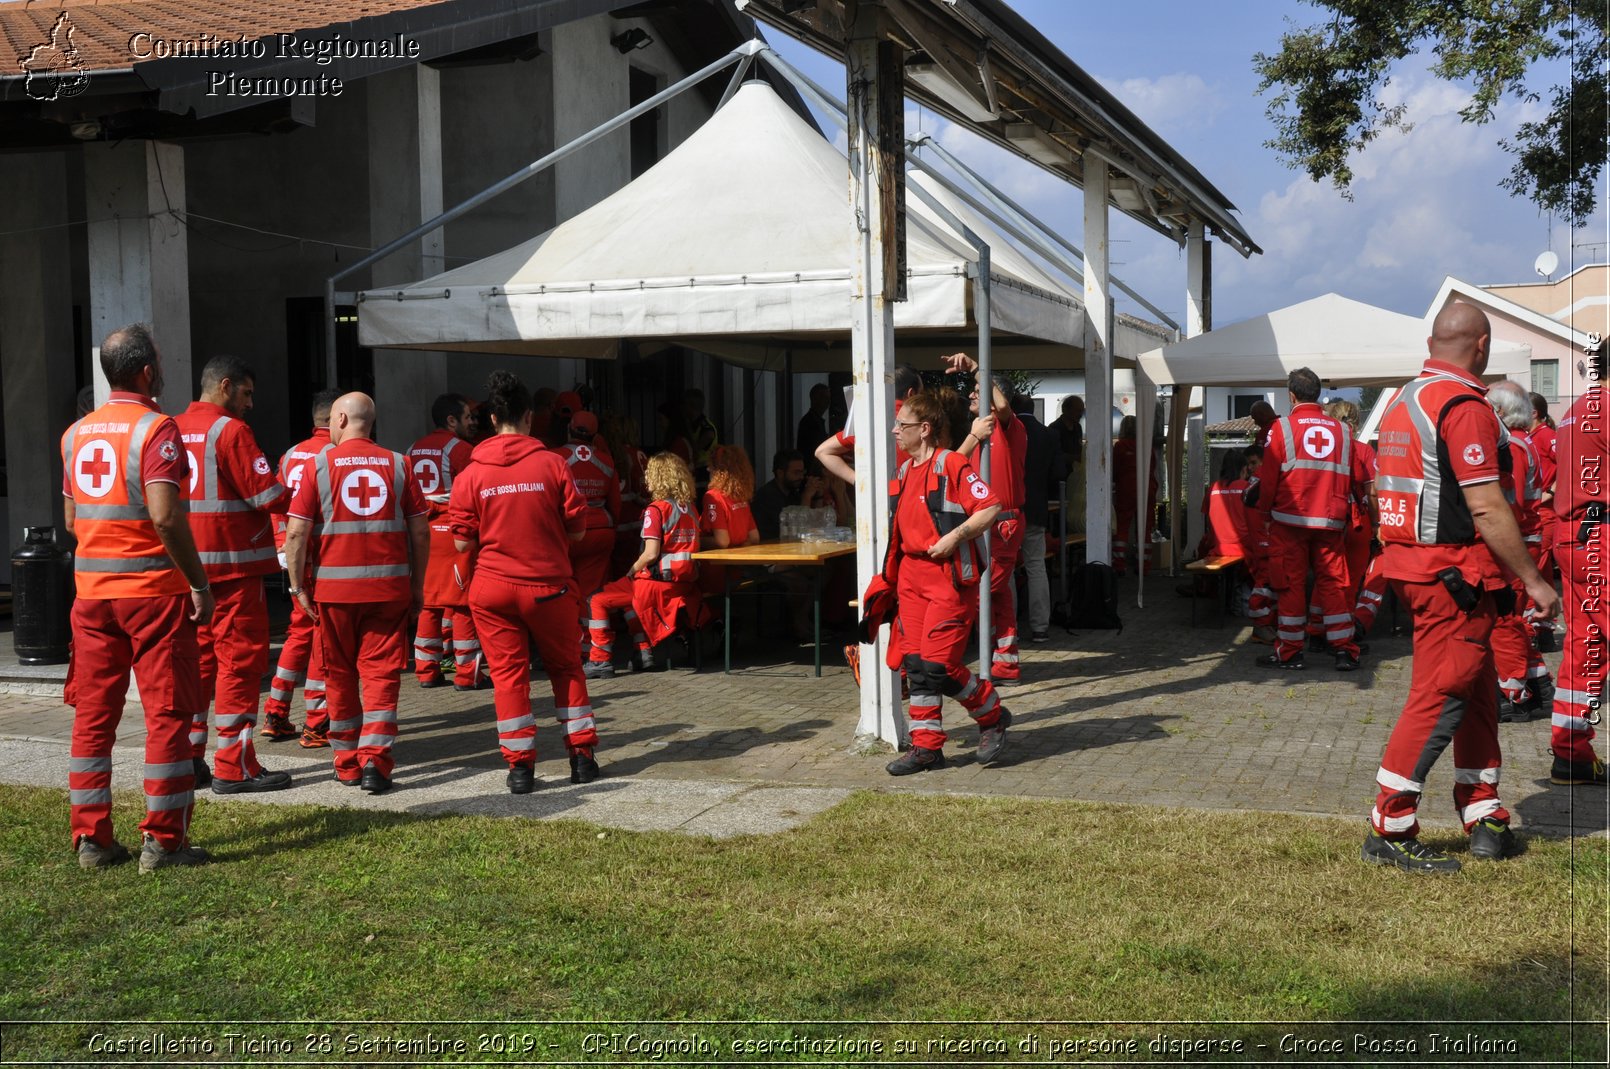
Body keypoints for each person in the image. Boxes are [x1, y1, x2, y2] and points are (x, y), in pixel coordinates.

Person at [1363, 302, 1561, 873]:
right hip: (1456, 575)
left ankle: (1483, 812)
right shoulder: (1463, 407)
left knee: (1477, 692)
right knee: (1442, 695)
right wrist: (1534, 580)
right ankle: (1390, 823)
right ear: (1482, 346)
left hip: (1424, 569)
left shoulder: (1402, 400)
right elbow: (1485, 503)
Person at [61, 323, 215, 872]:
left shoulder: (75, 434)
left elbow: (73, 519)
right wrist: (198, 583)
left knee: (92, 718)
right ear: (148, 370)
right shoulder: (157, 430)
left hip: (92, 595)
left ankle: (92, 842)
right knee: (167, 715)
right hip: (152, 593)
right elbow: (165, 515)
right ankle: (165, 842)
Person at [449, 371, 600, 792]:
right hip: (548, 587)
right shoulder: (554, 464)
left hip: (493, 590)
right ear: (530, 417)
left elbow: (462, 542)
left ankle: (520, 770)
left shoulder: (470, 473)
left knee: (508, 677)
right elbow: (578, 532)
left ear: (494, 420)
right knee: (567, 668)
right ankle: (582, 759)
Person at [282, 393, 429, 794]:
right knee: (381, 677)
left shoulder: (318, 466)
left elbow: (296, 533)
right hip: (389, 590)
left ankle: (346, 763)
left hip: (334, 595)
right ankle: (376, 764)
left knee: (339, 677)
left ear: (342, 418)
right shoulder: (401, 465)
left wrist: (297, 587)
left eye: (331, 420)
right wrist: (417, 586)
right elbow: (420, 530)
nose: (329, 426)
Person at [874, 389, 1011, 774]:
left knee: (940, 667)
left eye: (902, 425)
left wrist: (955, 537)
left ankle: (992, 716)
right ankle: (927, 748)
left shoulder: (950, 463)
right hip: (911, 580)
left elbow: (991, 507)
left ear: (925, 429)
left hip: (948, 580)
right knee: (916, 666)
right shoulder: (904, 471)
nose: (894, 430)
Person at [176, 355, 293, 793]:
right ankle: (234, 765)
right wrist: (305, 496)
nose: (249, 404)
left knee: (199, 667)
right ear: (225, 386)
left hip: (188, 571)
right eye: (246, 393)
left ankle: (190, 758)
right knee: (240, 664)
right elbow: (266, 494)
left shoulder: (168, 426)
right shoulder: (231, 430)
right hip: (233, 568)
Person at [1250, 368, 1366, 671]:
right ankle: (1344, 650)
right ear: (1318, 393)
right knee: (1334, 585)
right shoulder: (1343, 431)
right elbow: (1357, 477)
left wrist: (1264, 513)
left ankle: (1290, 651)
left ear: (1291, 395)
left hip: (1290, 520)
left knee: (1289, 585)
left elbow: (1269, 478)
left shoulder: (1281, 428)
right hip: (1330, 520)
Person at [584, 453, 707, 678]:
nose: (646, 479)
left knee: (597, 599)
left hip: (654, 585)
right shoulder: (690, 507)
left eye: (649, 474)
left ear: (658, 477)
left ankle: (600, 658)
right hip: (683, 584)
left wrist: (631, 571)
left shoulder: (656, 510)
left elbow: (650, 554)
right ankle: (642, 651)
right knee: (629, 601)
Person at [264, 389, 340, 747]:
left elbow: (278, 503)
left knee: (299, 632)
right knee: (321, 637)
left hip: (293, 555)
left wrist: (282, 545)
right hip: (322, 558)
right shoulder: (336, 455)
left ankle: (276, 711)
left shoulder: (291, 454)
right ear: (339, 417)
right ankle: (317, 721)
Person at [1545, 344, 1607, 785]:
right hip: (1601, 536)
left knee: (1584, 648)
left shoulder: (1577, 409)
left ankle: (1571, 752)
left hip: (1573, 534)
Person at [945, 354, 1027, 681]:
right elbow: (951, 467)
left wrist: (980, 368)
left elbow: (1004, 407)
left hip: (1002, 526)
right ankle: (1005, 660)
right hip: (985, 526)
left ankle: (950, 658)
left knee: (976, 592)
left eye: (980, 390)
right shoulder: (980, 433)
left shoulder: (1011, 427)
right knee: (998, 593)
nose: (973, 394)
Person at [1484, 382, 1557, 722]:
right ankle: (1539, 686)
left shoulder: (1510, 446)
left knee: (1504, 620)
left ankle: (1513, 692)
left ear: (1499, 411)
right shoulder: (1521, 441)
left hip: (1514, 542)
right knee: (1510, 618)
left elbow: (1505, 505)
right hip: (1524, 538)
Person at [408, 394, 485, 691]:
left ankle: (427, 671)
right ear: (451, 420)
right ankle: (469, 674)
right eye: (468, 417)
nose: (473, 422)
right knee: (463, 603)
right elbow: (475, 493)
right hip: (453, 532)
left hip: (422, 533)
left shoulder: (412, 448)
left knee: (428, 602)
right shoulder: (462, 450)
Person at [1320, 400, 1377, 654]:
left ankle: (1316, 630)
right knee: (1350, 581)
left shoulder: (1325, 449)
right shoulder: (1363, 451)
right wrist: (1377, 524)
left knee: (1326, 578)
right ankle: (1343, 636)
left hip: (1326, 518)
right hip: (1356, 520)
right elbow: (1371, 492)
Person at [815, 364, 922, 486]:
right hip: (915, 495)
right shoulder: (923, 423)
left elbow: (822, 451)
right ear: (911, 394)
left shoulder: (869, 422)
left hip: (877, 498)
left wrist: (858, 480)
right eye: (921, 394)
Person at [1015, 394, 1065, 642]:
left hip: (1008, 508)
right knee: (1036, 566)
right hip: (1036, 506)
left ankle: (1005, 627)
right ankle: (1040, 626)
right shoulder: (1048, 434)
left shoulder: (1004, 431)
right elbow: (1058, 472)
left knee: (1004, 570)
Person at [560, 408, 619, 602]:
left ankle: (572, 628)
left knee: (564, 587)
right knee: (593, 593)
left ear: (569, 429)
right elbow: (615, 504)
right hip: (600, 531)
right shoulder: (607, 460)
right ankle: (593, 629)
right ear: (595, 435)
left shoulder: (555, 457)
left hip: (566, 531)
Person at [699, 444, 760, 598]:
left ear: (719, 470)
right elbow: (754, 537)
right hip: (735, 573)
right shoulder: (742, 497)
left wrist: (695, 540)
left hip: (713, 572)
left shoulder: (712, 496)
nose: (708, 470)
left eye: (711, 466)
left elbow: (722, 541)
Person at [1528, 391, 1562, 652]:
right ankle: (1544, 630)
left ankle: (1530, 629)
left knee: (1533, 570)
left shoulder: (1548, 436)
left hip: (1544, 515)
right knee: (1543, 573)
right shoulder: (1531, 437)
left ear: (1534, 413)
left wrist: (1549, 494)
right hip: (1537, 514)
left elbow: (1568, 465)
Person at [599, 412, 649, 580]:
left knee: (618, 573)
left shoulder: (614, 455)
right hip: (639, 521)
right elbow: (644, 489)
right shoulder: (640, 454)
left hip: (619, 521)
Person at [1111, 416, 1158, 576]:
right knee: (1144, 528)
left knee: (1121, 528)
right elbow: (1152, 466)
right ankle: (1143, 566)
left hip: (1126, 489)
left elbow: (1114, 470)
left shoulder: (1120, 446)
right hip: (1146, 489)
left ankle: (1119, 565)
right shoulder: (1147, 446)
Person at [751, 449, 827, 540]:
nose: (801, 477)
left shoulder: (792, 492)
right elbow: (797, 531)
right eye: (796, 473)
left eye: (802, 472)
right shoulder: (767, 497)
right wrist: (806, 497)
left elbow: (816, 526)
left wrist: (818, 496)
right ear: (780, 473)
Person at [683, 388, 719, 474]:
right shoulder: (692, 424)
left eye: (685, 405)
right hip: (696, 470)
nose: (682, 408)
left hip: (705, 472)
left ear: (691, 406)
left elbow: (709, 436)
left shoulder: (706, 427)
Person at [795, 383, 832, 464]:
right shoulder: (809, 421)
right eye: (824, 397)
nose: (828, 401)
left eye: (829, 398)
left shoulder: (814, 420)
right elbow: (813, 450)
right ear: (815, 399)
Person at [1052, 395, 1084, 466]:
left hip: (1076, 473)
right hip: (1060, 474)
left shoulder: (1078, 427)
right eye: (1078, 411)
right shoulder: (1054, 429)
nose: (1080, 415)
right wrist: (1077, 458)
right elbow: (1055, 455)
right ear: (1066, 410)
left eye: (1082, 411)